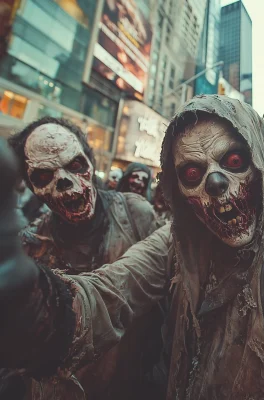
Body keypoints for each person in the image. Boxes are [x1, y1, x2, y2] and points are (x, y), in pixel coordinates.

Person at [1, 96, 264, 399]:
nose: (216, 184)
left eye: (233, 159)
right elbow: (109, 292)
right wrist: (33, 302)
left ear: (260, 161)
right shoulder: (179, 239)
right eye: (193, 172)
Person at [4, 117, 163, 399]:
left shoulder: (135, 213)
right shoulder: (30, 246)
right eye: (44, 176)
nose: (64, 181)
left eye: (75, 166)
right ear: (31, 186)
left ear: (90, 164)